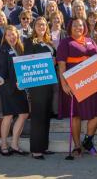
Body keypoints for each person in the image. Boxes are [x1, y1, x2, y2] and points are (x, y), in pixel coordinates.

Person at [57, 18, 97, 156]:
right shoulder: (65, 42)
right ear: (70, 27)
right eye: (75, 25)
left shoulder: (90, 40)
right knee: (76, 115)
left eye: (80, 25)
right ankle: (77, 146)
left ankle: (88, 140)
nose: (78, 27)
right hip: (74, 82)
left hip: (91, 80)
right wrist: (64, 83)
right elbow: (61, 64)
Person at [24, 17, 56, 159]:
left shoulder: (49, 42)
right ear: (34, 26)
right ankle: (36, 149)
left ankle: (43, 146)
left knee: (45, 116)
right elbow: (28, 61)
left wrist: (54, 61)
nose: (41, 27)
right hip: (37, 84)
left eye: (43, 25)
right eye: (38, 25)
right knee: (37, 117)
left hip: (49, 83)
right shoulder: (29, 41)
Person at [0, 25, 29, 156]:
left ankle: (15, 144)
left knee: (24, 114)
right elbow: (3, 69)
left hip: (20, 87)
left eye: (13, 34)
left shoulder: (20, 48)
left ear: (17, 35)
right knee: (8, 115)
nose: (11, 37)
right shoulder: (3, 49)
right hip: (7, 87)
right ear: (5, 37)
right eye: (8, 35)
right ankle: (3, 144)